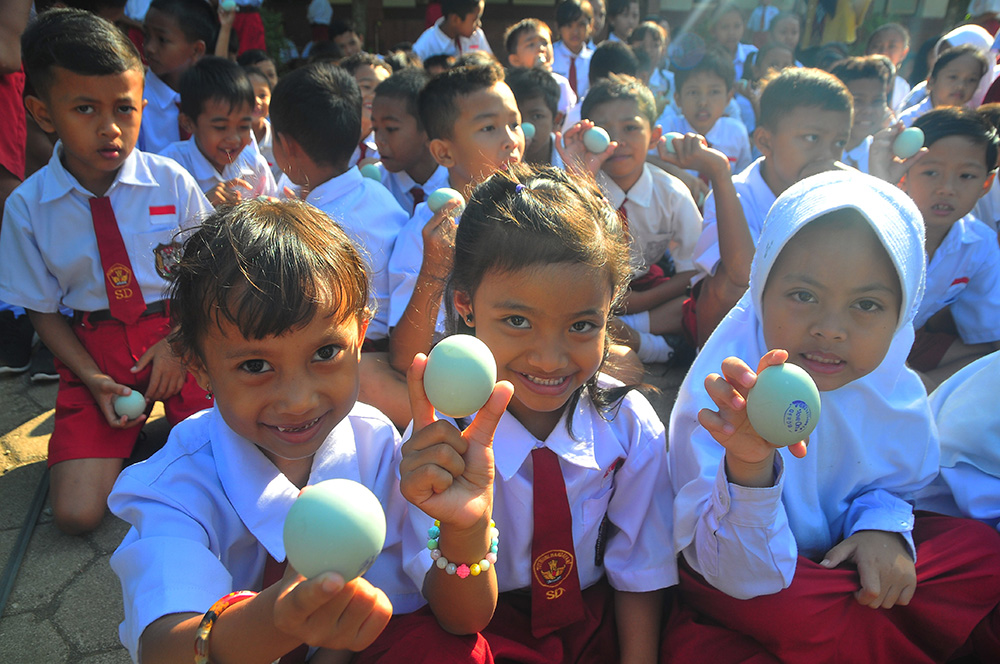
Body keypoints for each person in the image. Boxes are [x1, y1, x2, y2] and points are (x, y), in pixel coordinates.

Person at [665, 169, 1000, 663]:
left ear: (902, 313)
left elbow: (895, 487)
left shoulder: (892, 390)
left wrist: (880, 529)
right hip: (758, 574)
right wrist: (751, 466)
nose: (830, 329)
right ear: (761, 290)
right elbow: (733, 572)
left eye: (867, 304)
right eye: (803, 296)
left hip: (835, 567)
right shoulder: (726, 394)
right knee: (787, 605)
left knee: (980, 552)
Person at [108, 199, 424, 663]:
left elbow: (413, 593)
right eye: (256, 365)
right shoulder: (174, 487)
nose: (297, 400)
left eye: (325, 353)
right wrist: (278, 620)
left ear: (359, 336)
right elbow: (165, 646)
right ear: (198, 367)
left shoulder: (377, 445)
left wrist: (463, 525)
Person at [393, 163, 676, 663]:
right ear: (466, 306)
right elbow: (459, 618)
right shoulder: (440, 440)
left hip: (593, 620)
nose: (550, 358)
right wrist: (464, 527)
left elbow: (641, 569)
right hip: (481, 624)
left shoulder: (628, 425)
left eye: (583, 325)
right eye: (518, 321)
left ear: (610, 312)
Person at [0, 8, 213, 534]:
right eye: (84, 108)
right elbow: (42, 310)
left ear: (143, 104)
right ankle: (139, 436)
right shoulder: (29, 208)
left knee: (230, 471)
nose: (110, 128)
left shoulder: (172, 182)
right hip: (96, 354)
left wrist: (180, 342)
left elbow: (210, 277)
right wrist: (93, 379)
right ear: (43, 113)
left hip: (183, 340)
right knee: (76, 515)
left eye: (124, 108)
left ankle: (168, 437)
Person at [269, 62, 411, 428]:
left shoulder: (308, 228)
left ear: (285, 145)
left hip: (355, 367)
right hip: (398, 354)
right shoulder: (378, 194)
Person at [691, 67, 852, 346]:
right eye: (812, 138)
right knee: (728, 285)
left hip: (804, 325)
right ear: (765, 141)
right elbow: (742, 275)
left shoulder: (843, 188)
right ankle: (711, 368)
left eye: (839, 143)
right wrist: (719, 174)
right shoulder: (736, 193)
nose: (827, 155)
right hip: (736, 329)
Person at [387, 63, 524, 379]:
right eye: (489, 128)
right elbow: (405, 359)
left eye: (515, 124)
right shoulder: (429, 231)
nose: (510, 141)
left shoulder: (534, 205)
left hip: (535, 363)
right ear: (444, 153)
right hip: (465, 379)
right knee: (371, 377)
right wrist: (434, 267)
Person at [580, 74, 702, 363]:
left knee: (702, 300)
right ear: (586, 137)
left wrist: (640, 303)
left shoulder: (672, 193)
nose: (618, 141)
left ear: (655, 136)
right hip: (588, 292)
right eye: (604, 131)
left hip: (649, 293)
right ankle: (652, 347)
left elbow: (694, 270)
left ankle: (627, 332)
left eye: (631, 128)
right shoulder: (580, 189)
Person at [884, 109, 1000, 387]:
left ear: (987, 183)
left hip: (910, 342)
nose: (947, 188)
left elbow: (987, 335)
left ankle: (924, 387)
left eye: (966, 176)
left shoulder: (979, 244)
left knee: (991, 359)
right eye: (931, 172)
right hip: (854, 342)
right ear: (904, 175)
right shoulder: (883, 230)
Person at [162, 57, 276, 206]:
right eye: (221, 127)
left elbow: (273, 211)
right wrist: (202, 204)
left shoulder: (254, 164)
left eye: (243, 126)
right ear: (188, 123)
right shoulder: (169, 168)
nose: (234, 138)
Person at [655, 49, 752, 175]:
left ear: (728, 98)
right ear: (678, 99)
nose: (703, 102)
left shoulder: (736, 133)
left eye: (714, 92)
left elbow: (743, 179)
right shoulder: (665, 131)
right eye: (693, 92)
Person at [137, 0, 216, 155]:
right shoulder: (136, 101)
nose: (149, 47)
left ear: (196, 50)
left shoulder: (216, 99)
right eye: (146, 35)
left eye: (162, 40)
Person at [372, 68, 450, 216]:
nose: (379, 140)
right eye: (375, 128)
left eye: (390, 129)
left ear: (428, 128)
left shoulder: (458, 184)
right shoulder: (375, 187)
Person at [897, 45, 988, 127]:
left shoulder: (972, 126)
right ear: (931, 82)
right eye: (953, 77)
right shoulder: (909, 121)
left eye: (971, 80)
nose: (961, 86)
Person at [829, 56, 893, 173]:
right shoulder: (819, 155)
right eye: (857, 101)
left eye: (877, 101)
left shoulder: (885, 158)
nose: (868, 110)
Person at [503, 18, 577, 117]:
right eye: (531, 44)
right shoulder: (510, 87)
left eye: (545, 43)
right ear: (515, 60)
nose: (541, 48)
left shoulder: (561, 84)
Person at [340, 53, 392, 167]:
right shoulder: (325, 142)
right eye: (366, 87)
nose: (375, 95)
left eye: (383, 89)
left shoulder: (392, 148)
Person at [507, 67, 565, 168]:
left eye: (537, 116)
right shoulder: (496, 160)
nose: (525, 126)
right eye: (517, 119)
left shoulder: (572, 159)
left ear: (556, 120)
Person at [412, 0, 492, 63]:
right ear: (455, 19)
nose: (479, 24)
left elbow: (491, 64)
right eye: (474, 20)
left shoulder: (477, 36)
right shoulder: (424, 46)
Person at [551, 0, 593, 99]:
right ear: (558, 27)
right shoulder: (550, 55)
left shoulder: (594, 58)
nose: (575, 31)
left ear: (590, 26)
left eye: (581, 25)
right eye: (569, 25)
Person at [865, 22, 911, 111]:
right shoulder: (855, 79)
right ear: (867, 50)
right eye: (877, 46)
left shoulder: (902, 87)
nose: (883, 52)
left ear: (903, 53)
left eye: (892, 46)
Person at [244, 65, 279, 179]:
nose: (257, 101)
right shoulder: (229, 142)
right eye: (249, 95)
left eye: (262, 95)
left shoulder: (279, 140)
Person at [708, 5, 756, 81]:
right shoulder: (707, 58)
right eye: (725, 27)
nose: (731, 33)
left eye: (737, 26)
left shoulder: (752, 54)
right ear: (713, 30)